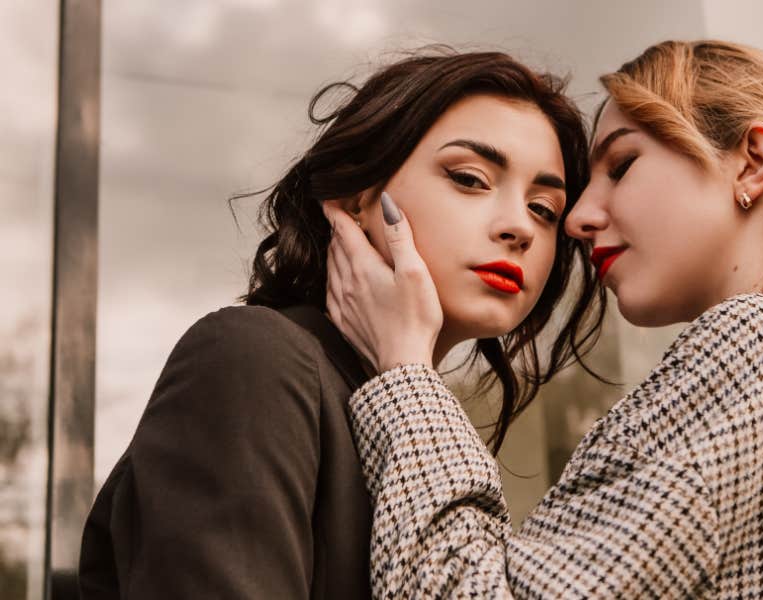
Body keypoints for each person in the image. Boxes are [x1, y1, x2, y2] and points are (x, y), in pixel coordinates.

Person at [326, 39, 763, 598]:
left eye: (620, 166)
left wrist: (404, 370)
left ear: (751, 163)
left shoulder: (760, 344)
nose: (577, 218)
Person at [77, 48, 603, 599]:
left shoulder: (409, 424)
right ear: (356, 199)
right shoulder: (253, 359)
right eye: (470, 178)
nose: (520, 225)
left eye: (544, 209)